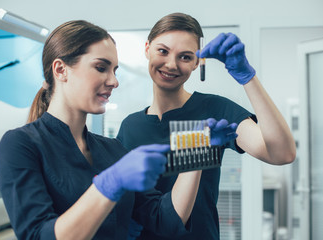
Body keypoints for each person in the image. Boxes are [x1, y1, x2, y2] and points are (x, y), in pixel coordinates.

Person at [0, 20, 238, 240]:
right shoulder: (21, 144)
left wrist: (197, 151)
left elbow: (165, 220)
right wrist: (108, 185)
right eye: (101, 68)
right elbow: (37, 235)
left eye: (114, 70)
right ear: (61, 70)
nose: (114, 81)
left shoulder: (112, 150)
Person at [117, 12, 296, 240]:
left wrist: (247, 78)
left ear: (196, 63)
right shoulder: (130, 126)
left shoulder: (214, 109)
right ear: (147, 49)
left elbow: (282, 153)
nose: (171, 64)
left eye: (185, 56)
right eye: (163, 51)